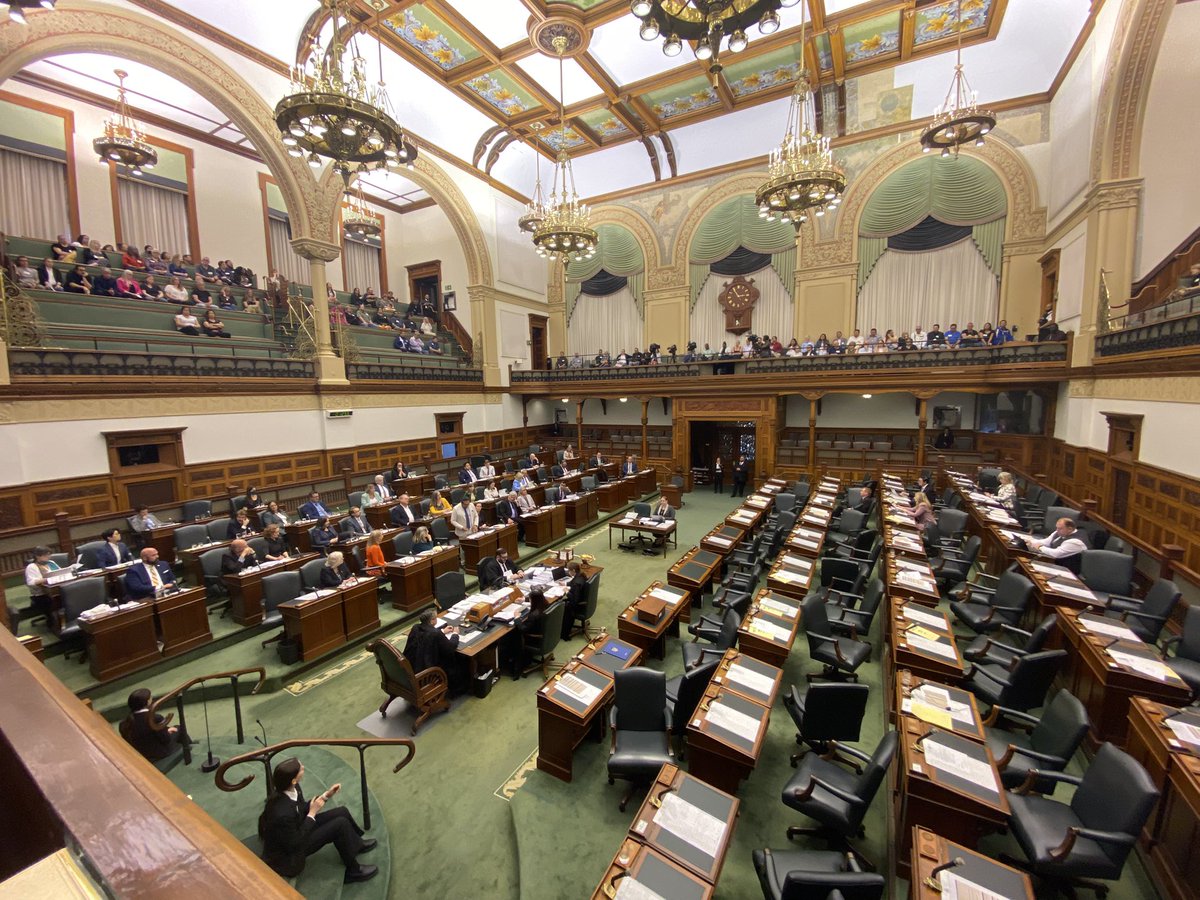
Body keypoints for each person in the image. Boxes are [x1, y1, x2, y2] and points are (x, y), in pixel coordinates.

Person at [258, 757, 377, 884]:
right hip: (289, 858)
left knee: (341, 811)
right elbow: (294, 842)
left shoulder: (294, 788)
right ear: (293, 780)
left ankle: (356, 844)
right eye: (300, 768)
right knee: (339, 825)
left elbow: (301, 809)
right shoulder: (282, 813)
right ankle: (354, 871)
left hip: (298, 828)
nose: (303, 768)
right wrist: (312, 813)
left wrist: (325, 796)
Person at [404, 608, 466, 694]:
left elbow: (425, 637)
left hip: (411, 668)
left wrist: (442, 631)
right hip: (426, 674)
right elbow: (450, 648)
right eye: (436, 618)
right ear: (432, 620)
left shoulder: (415, 628)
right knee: (456, 658)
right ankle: (458, 688)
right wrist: (455, 634)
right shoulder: (435, 633)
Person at [119, 688, 191, 762]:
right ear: (147, 702)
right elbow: (166, 739)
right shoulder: (155, 718)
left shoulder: (123, 724)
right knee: (179, 728)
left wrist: (166, 730)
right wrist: (167, 732)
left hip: (142, 754)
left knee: (170, 729)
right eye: (150, 698)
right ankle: (191, 748)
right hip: (160, 752)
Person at [510, 586, 549, 678]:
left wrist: (517, 618)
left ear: (533, 601)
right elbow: (536, 599)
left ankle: (515, 664)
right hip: (546, 634)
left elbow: (522, 629)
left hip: (535, 639)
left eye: (530, 599)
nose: (530, 601)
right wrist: (524, 599)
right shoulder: (546, 604)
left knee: (514, 635)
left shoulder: (533, 615)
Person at [1024, 517, 1088, 570]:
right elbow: (1046, 542)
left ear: (1070, 529)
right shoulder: (1060, 532)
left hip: (1065, 568)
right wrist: (1030, 541)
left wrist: (1039, 547)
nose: (1057, 530)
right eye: (1057, 527)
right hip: (1054, 561)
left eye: (1060, 528)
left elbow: (1056, 554)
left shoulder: (1075, 542)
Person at [24, 546, 61, 617]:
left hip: (57, 589)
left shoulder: (51, 563)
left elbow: (60, 572)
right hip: (42, 594)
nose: (48, 557)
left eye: (49, 554)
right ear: (37, 556)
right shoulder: (32, 567)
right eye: (45, 555)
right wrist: (46, 579)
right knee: (58, 600)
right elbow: (30, 583)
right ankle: (55, 621)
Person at [559, 560, 588, 640]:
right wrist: (566, 584)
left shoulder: (576, 583)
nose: (568, 572)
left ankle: (564, 634)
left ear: (573, 570)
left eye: (569, 570)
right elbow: (574, 583)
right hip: (583, 600)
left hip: (577, 605)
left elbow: (574, 600)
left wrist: (567, 592)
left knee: (561, 606)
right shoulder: (581, 575)